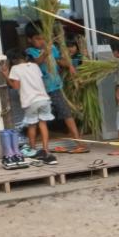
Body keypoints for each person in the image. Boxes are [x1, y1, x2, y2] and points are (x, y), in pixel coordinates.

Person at [24, 22, 86, 152]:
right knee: (37, 119)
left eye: (43, 38)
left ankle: (79, 143)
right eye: (38, 39)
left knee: (66, 113)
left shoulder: (52, 48)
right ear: (29, 40)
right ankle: (33, 148)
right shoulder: (29, 52)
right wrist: (45, 54)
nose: (42, 41)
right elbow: (34, 64)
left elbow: (59, 60)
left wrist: (69, 65)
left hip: (55, 88)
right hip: (38, 92)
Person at [1, 50, 57, 168]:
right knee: (43, 124)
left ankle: (33, 150)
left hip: (31, 101)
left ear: (12, 61)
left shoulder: (15, 69)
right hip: (43, 99)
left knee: (32, 125)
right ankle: (46, 150)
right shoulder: (35, 66)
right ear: (25, 58)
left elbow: (15, 86)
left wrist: (5, 74)